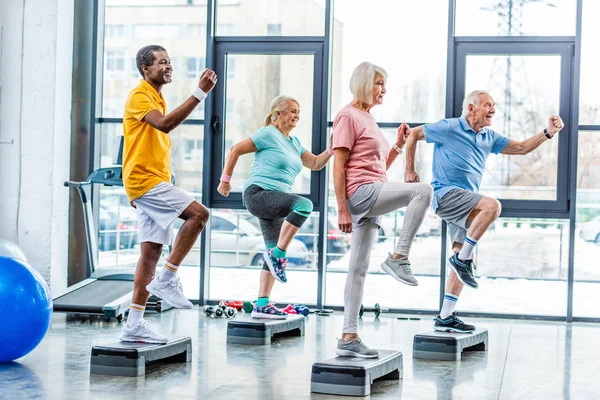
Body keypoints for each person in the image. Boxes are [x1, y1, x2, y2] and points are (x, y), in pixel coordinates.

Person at [405, 89, 564, 333]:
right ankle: (462, 260)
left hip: (466, 203)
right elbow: (414, 134)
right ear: (471, 108)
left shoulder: (489, 137)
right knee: (493, 206)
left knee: (461, 254)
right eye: (488, 105)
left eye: (494, 105)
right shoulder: (449, 127)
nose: (493, 110)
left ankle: (445, 316)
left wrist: (548, 133)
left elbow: (521, 148)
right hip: (445, 195)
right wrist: (409, 170)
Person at [331, 62, 433, 358]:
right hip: (359, 195)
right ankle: (399, 256)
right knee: (421, 190)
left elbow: (377, 171)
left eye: (384, 84)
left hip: (370, 190)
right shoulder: (347, 116)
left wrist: (398, 146)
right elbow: (339, 166)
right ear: (363, 83)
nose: (384, 89)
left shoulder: (366, 118)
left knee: (357, 269)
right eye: (378, 83)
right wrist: (342, 209)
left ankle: (348, 336)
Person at [120, 44, 217, 343]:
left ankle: (134, 323)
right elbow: (165, 125)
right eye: (162, 62)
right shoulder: (140, 96)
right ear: (145, 69)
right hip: (144, 180)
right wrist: (199, 93)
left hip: (153, 180)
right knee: (199, 214)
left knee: (150, 252)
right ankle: (168, 277)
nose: (168, 66)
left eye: (169, 61)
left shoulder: (157, 96)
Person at [217, 95, 332, 319]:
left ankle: (262, 304)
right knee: (304, 205)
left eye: (298, 111)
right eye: (291, 111)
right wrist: (225, 180)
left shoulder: (295, 143)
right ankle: (278, 255)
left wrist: (332, 149)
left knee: (271, 250)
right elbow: (235, 150)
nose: (296, 115)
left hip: (276, 199)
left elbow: (316, 163)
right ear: (277, 114)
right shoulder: (268, 134)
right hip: (258, 194)